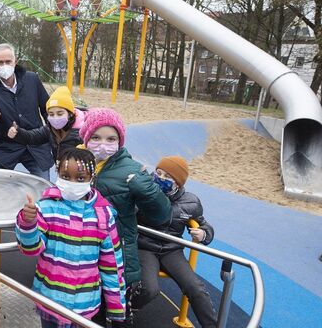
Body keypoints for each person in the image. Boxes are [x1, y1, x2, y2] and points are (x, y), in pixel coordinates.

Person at [15, 148, 126, 327]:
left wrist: (116, 307)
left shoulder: (103, 215)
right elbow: (31, 248)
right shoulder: (46, 208)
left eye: (80, 178)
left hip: (85, 304)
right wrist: (28, 222)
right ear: (58, 174)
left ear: (92, 178)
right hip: (51, 299)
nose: (72, 182)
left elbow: (112, 264)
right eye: (66, 176)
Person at [78, 108, 171, 311]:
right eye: (96, 137)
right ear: (86, 138)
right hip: (81, 248)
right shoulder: (76, 163)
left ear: (120, 141)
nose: (103, 144)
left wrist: (148, 190)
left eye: (111, 139)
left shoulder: (132, 170)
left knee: (110, 306)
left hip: (115, 252)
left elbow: (162, 216)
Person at [133, 156, 217, 328]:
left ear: (178, 183)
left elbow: (204, 224)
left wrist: (203, 234)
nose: (160, 178)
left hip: (171, 250)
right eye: (158, 173)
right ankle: (127, 309)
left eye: (167, 176)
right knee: (149, 288)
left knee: (196, 289)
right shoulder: (145, 192)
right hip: (145, 246)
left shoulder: (190, 202)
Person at [0, 43, 53, 180]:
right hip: (7, 146)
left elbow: (46, 108)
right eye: (0, 63)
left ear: (15, 61)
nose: (4, 65)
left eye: (8, 61)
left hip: (35, 144)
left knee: (43, 188)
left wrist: (51, 134)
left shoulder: (32, 79)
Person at [7, 85, 84, 165]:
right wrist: (18, 132)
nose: (55, 118)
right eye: (51, 114)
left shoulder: (82, 132)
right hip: (62, 170)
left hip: (78, 173)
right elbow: (33, 136)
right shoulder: (50, 129)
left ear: (70, 114)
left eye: (60, 114)